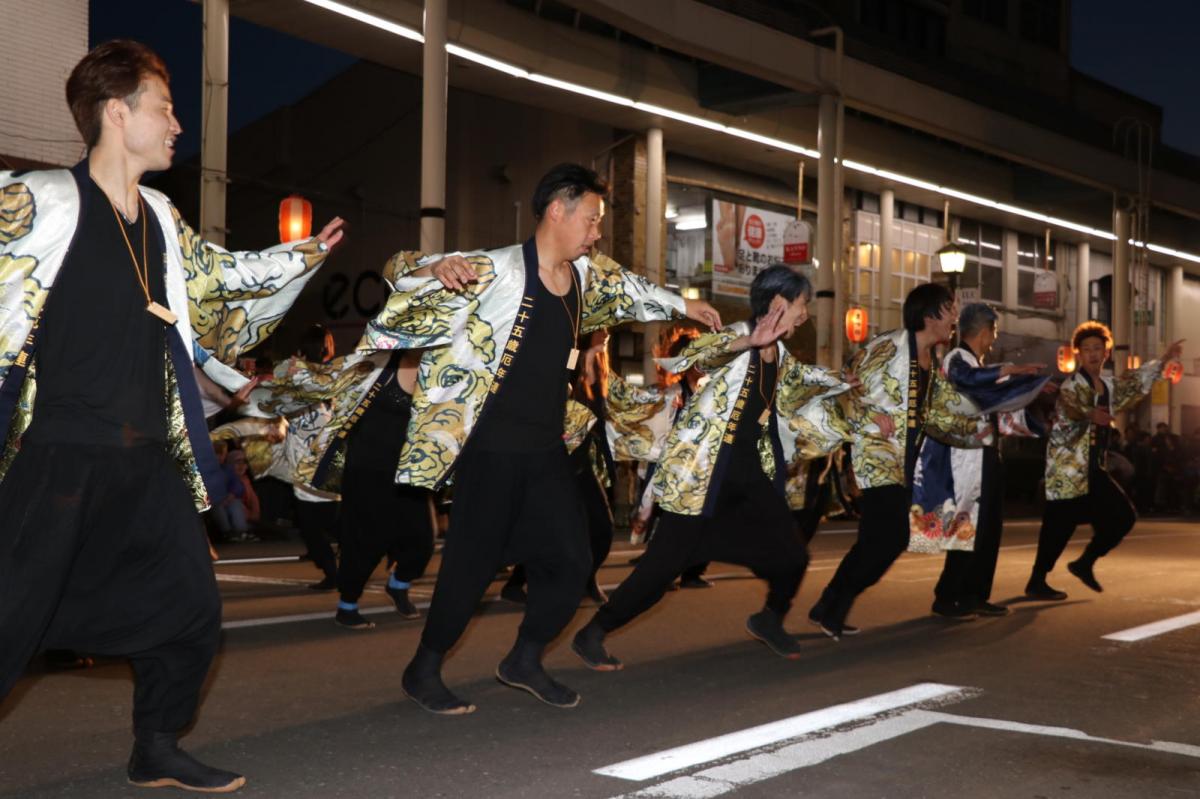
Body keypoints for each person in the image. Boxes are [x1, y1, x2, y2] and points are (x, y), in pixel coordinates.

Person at [0, 40, 342, 793]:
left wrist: (301, 257)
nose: (178, 123)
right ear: (118, 115)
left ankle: (155, 744)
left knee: (189, 611)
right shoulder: (42, 201)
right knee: (10, 618)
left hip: (149, 457)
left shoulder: (158, 217)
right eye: (165, 107)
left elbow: (223, 278)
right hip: (62, 453)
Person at [360, 163, 721, 714]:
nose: (597, 231)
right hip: (487, 449)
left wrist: (682, 305)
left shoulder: (585, 277)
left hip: (546, 450)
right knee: (470, 567)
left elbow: (630, 287)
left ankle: (524, 659)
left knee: (573, 561)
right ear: (559, 209)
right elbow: (396, 268)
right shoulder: (495, 269)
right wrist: (435, 264)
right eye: (592, 219)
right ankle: (423, 669)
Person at [572, 265, 852, 670]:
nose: (804, 314)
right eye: (802, 305)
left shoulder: (780, 353)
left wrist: (843, 381)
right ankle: (592, 632)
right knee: (658, 573)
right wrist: (745, 342)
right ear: (778, 303)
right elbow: (697, 357)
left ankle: (769, 617)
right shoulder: (736, 337)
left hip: (750, 478)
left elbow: (802, 381)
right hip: (705, 478)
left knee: (793, 554)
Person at [808, 283, 986, 639]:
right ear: (930, 313)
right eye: (950, 308)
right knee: (888, 539)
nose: (955, 316)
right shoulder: (889, 346)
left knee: (878, 540)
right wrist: (870, 416)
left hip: (903, 461)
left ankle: (828, 605)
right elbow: (845, 384)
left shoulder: (929, 361)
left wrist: (980, 425)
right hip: (876, 454)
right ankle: (833, 607)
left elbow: (935, 412)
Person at [908, 303, 1049, 619]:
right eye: (994, 331)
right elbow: (968, 380)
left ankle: (973, 593)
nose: (994, 338)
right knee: (968, 525)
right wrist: (1008, 372)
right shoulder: (959, 360)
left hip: (984, 453)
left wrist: (1031, 398)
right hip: (966, 457)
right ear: (985, 331)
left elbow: (1004, 410)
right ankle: (949, 595)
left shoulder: (978, 365)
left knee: (986, 528)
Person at [1025, 323, 1183, 598]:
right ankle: (1037, 581)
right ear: (1078, 354)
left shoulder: (1109, 386)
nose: (1092, 354)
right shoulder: (1073, 384)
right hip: (1068, 470)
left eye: (1097, 348)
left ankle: (1084, 562)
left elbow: (1135, 382)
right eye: (1086, 349)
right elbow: (1069, 406)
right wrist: (1089, 414)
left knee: (1123, 516)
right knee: (1057, 528)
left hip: (1094, 469)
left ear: (1106, 352)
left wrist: (1165, 359)